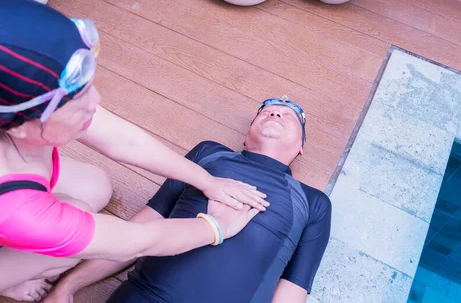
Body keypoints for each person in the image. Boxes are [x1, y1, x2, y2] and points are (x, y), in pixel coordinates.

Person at [0, 0, 270, 303]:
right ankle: (1, 281)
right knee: (76, 230)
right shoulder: (10, 205)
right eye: (79, 104)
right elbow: (135, 241)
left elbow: (123, 141)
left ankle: (2, 260)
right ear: (23, 124)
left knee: (97, 186)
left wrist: (209, 182)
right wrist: (215, 227)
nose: (96, 101)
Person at [47, 96, 332, 303]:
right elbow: (142, 227)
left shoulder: (313, 203)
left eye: (287, 116)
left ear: (301, 147)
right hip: (144, 296)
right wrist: (68, 286)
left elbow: (293, 290)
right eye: (267, 112)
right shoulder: (208, 155)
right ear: (246, 137)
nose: (275, 115)